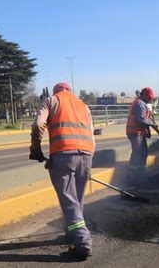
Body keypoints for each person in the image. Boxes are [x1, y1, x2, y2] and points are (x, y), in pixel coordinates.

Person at [29, 82, 95, 259]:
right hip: (87, 155)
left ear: (56, 91)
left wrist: (35, 149)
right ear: (69, 91)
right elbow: (91, 135)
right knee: (76, 200)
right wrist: (89, 163)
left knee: (69, 201)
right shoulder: (83, 105)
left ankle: (82, 243)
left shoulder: (51, 100)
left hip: (63, 155)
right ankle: (71, 232)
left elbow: (38, 125)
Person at [125, 87, 158, 183]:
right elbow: (141, 119)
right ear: (144, 95)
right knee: (137, 153)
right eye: (149, 97)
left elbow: (143, 117)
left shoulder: (140, 103)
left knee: (143, 152)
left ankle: (140, 174)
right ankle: (131, 176)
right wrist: (153, 124)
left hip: (137, 132)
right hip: (135, 132)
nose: (150, 99)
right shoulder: (140, 104)